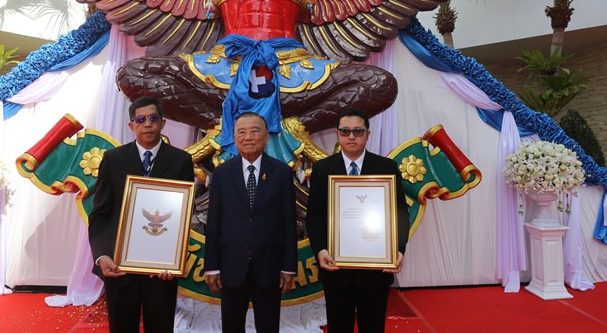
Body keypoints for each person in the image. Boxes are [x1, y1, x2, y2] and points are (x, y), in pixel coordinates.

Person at [88, 96, 195, 333]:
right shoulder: (113, 159)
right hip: (119, 266)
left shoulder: (181, 160)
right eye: (141, 119)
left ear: (162, 123)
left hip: (161, 270)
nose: (147, 124)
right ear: (132, 125)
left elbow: (185, 214)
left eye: (153, 118)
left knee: (161, 327)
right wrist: (102, 256)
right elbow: (100, 213)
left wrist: (175, 259)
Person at [306, 107, 410, 333]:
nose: (351, 136)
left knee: (372, 327)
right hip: (336, 267)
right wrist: (321, 249)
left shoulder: (386, 167)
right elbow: (314, 214)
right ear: (337, 134)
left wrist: (398, 249)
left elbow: (400, 212)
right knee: (338, 326)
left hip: (375, 270)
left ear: (367, 134)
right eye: (345, 131)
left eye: (357, 131)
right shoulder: (323, 169)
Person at [204, 112, 298, 332]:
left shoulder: (281, 172)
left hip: (269, 265)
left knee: (268, 325)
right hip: (231, 263)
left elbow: (289, 223)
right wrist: (212, 266)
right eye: (241, 132)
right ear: (234, 138)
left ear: (266, 137)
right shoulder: (222, 173)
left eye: (255, 131)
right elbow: (214, 222)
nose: (248, 137)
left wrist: (288, 267)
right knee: (231, 325)